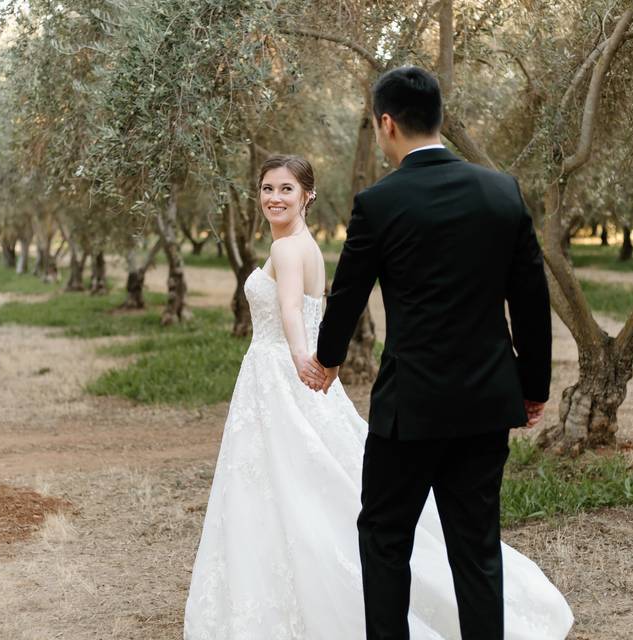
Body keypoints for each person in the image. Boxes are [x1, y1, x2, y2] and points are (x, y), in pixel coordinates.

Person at [184, 147, 572, 638]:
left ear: (308, 195)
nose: (274, 197)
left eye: (285, 188)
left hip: (284, 374)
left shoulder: (292, 245)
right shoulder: (305, 243)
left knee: (307, 495)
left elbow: (295, 312)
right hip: (328, 380)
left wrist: (311, 358)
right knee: (319, 486)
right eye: (267, 188)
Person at [314, 65, 555, 640]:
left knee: (384, 539)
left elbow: (347, 296)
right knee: (476, 548)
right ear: (440, 119)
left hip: (410, 409)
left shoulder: (379, 203)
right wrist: (534, 388)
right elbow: (531, 300)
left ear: (388, 124)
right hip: (484, 404)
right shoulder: (502, 192)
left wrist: (326, 359)